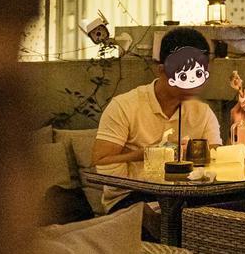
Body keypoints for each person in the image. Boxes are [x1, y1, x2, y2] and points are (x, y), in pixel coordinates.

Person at [91, 28, 221, 219]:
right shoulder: (125, 106)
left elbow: (217, 161)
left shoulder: (202, 112)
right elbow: (101, 162)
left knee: (224, 212)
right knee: (178, 219)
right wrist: (149, 154)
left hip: (186, 196)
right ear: (161, 70)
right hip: (130, 197)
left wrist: (239, 125)